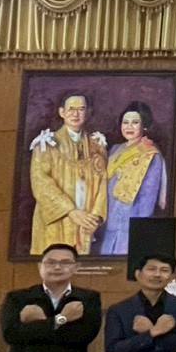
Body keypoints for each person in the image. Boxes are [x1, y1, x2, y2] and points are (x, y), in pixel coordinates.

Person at [28, 91, 106, 255]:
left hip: (87, 221)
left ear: (88, 112)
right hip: (57, 219)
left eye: (81, 109)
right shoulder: (46, 144)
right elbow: (40, 182)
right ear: (62, 112)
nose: (76, 114)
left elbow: (103, 184)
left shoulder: (97, 145)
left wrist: (96, 217)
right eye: (71, 109)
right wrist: (70, 211)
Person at [99, 101, 167, 256]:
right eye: (125, 122)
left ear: (144, 126)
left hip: (131, 224)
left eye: (135, 122)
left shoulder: (150, 155)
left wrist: (137, 230)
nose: (129, 127)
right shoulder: (115, 149)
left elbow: (148, 199)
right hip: (109, 222)